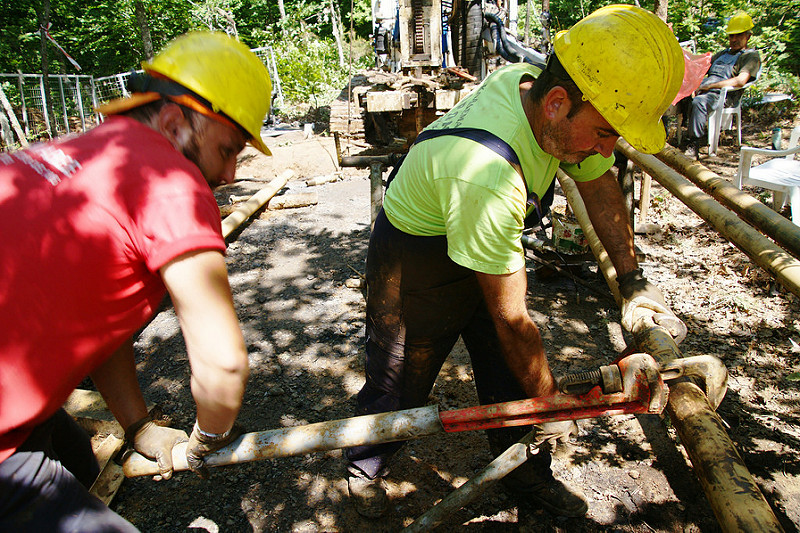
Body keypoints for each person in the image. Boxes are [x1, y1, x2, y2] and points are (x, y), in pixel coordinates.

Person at [344, 4, 688, 520]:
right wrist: (552, 403)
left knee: (509, 372)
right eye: (603, 133)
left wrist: (633, 281)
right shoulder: (486, 171)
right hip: (416, 257)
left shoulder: (537, 90)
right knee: (400, 375)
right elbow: (513, 319)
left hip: (475, 227)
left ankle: (524, 473)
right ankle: (364, 466)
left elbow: (598, 182)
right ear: (556, 103)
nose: (606, 147)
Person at [0, 31, 272, 531]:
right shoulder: (171, 181)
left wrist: (139, 427)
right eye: (227, 149)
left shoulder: (79, 153)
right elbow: (224, 360)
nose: (232, 173)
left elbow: (100, 326)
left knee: (79, 459)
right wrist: (205, 442)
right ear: (174, 122)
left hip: (14, 399)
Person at [683, 12, 761, 158]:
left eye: (739, 35)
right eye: (732, 36)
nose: (734, 39)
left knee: (700, 102)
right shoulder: (723, 54)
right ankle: (673, 135)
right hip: (707, 89)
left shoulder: (750, 56)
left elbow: (740, 81)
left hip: (725, 95)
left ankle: (694, 144)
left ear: (748, 36)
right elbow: (701, 67)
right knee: (680, 94)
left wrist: (709, 86)